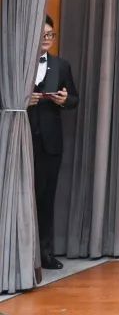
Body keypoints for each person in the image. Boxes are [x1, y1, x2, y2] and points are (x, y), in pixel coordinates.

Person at [27, 15, 79, 272]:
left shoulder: (61, 65)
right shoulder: (18, 62)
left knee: (46, 198)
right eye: (43, 35)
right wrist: (23, 100)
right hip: (21, 139)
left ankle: (45, 253)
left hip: (50, 143)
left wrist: (63, 100)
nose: (47, 39)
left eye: (50, 35)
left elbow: (74, 99)